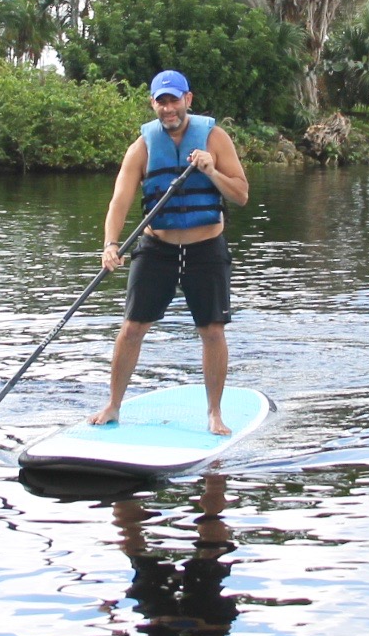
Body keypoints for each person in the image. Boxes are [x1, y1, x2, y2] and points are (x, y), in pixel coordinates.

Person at [90, 70, 250, 434]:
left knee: (211, 329)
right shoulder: (142, 148)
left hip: (205, 248)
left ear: (188, 100)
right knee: (131, 327)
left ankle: (214, 414)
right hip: (157, 248)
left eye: (174, 100)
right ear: (153, 104)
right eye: (161, 102)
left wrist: (211, 171)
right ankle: (113, 405)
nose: (168, 108)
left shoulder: (215, 138)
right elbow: (119, 202)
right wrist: (110, 244)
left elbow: (240, 194)